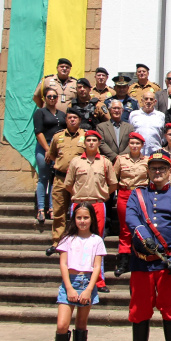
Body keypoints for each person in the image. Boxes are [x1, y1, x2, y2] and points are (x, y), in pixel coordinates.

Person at [126, 151, 171, 341]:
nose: (157, 172)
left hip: (168, 265)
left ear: (170, 171)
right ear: (147, 171)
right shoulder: (137, 195)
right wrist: (144, 235)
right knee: (140, 311)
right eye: (153, 168)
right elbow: (131, 217)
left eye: (161, 168)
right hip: (142, 263)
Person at [62, 130, 116, 292]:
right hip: (79, 204)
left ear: (99, 143)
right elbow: (67, 184)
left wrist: (104, 196)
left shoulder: (105, 162)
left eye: (94, 140)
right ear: (84, 143)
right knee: (75, 239)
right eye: (88, 140)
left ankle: (99, 280)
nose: (91, 143)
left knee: (97, 241)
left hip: (98, 204)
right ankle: (74, 276)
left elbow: (113, 184)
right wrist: (78, 196)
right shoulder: (76, 162)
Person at [54, 202, 104, 341]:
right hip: (70, 281)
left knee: (81, 324)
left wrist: (89, 289)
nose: (82, 221)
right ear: (74, 219)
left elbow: (97, 267)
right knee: (62, 325)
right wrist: (68, 287)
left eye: (86, 217)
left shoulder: (97, 240)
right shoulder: (67, 239)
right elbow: (63, 264)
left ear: (92, 219)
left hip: (87, 282)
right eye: (79, 217)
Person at [45, 109, 86, 256]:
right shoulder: (58, 137)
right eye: (69, 118)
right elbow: (52, 155)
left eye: (75, 118)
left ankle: (77, 240)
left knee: (79, 211)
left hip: (78, 181)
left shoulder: (86, 136)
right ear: (66, 120)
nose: (72, 120)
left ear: (80, 120)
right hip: (61, 179)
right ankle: (57, 242)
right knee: (59, 212)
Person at [111, 132, 148, 278]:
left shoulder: (147, 161)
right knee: (125, 228)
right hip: (125, 194)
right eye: (132, 143)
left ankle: (141, 257)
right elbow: (114, 178)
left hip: (141, 195)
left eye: (137, 144)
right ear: (128, 145)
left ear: (142, 146)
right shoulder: (121, 159)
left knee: (142, 226)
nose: (134, 146)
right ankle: (124, 260)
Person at [34, 87, 66, 223]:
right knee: (44, 177)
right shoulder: (40, 112)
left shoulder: (61, 114)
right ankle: (41, 208)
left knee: (55, 178)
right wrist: (47, 150)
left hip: (58, 148)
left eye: (54, 96)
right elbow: (38, 132)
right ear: (45, 99)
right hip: (44, 147)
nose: (52, 99)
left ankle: (52, 208)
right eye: (49, 97)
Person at [129, 91, 166, 156]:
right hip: (138, 153)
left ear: (155, 102)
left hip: (156, 152)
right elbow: (130, 132)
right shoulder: (134, 115)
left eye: (151, 99)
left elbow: (164, 134)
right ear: (142, 101)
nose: (148, 101)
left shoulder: (161, 116)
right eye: (146, 99)